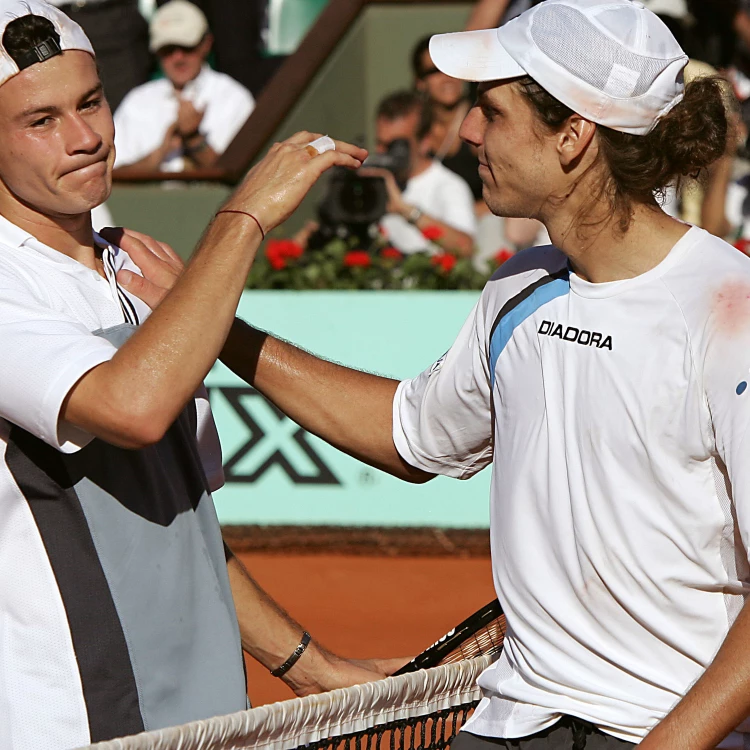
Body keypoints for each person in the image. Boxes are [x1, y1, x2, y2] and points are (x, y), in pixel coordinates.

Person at [129, 0, 750, 748]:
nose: (466, 131)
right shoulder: (517, 287)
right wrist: (212, 327)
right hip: (510, 721)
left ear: (574, 135)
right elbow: (410, 434)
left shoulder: (731, 316)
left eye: (491, 112)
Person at [0, 2, 394, 747]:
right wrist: (241, 218)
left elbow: (179, 524)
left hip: (205, 716)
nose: (85, 139)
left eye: (91, 102)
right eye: (40, 121)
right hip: (77, 722)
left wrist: (308, 665)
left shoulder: (138, 270)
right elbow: (134, 405)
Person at [113, 0, 255, 172]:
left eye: (187, 47)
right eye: (168, 49)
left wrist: (194, 139)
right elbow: (113, 178)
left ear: (206, 44)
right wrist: (161, 151)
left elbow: (243, 176)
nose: (178, 58)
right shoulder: (137, 102)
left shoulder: (234, 99)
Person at [366, 90, 476, 257]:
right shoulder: (370, 182)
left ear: (425, 142)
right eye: (379, 144)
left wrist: (406, 210)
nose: (383, 153)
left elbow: (466, 248)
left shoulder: (449, 186)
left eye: (395, 146)